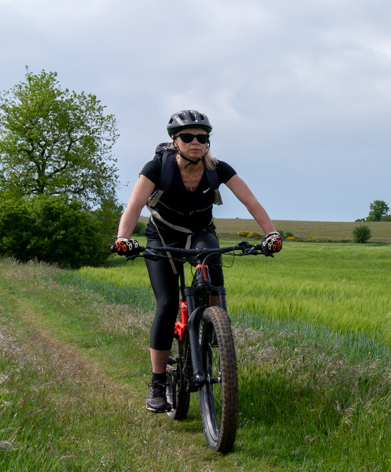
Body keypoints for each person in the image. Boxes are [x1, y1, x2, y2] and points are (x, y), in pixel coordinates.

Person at [114, 109, 282, 412]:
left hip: (200, 232)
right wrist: (123, 238)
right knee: (166, 304)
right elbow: (135, 204)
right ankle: (157, 382)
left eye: (202, 137)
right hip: (163, 237)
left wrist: (271, 234)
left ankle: (215, 328)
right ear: (174, 140)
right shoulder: (157, 167)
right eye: (188, 137)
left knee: (212, 267)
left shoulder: (218, 169)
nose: (196, 142)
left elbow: (250, 201)